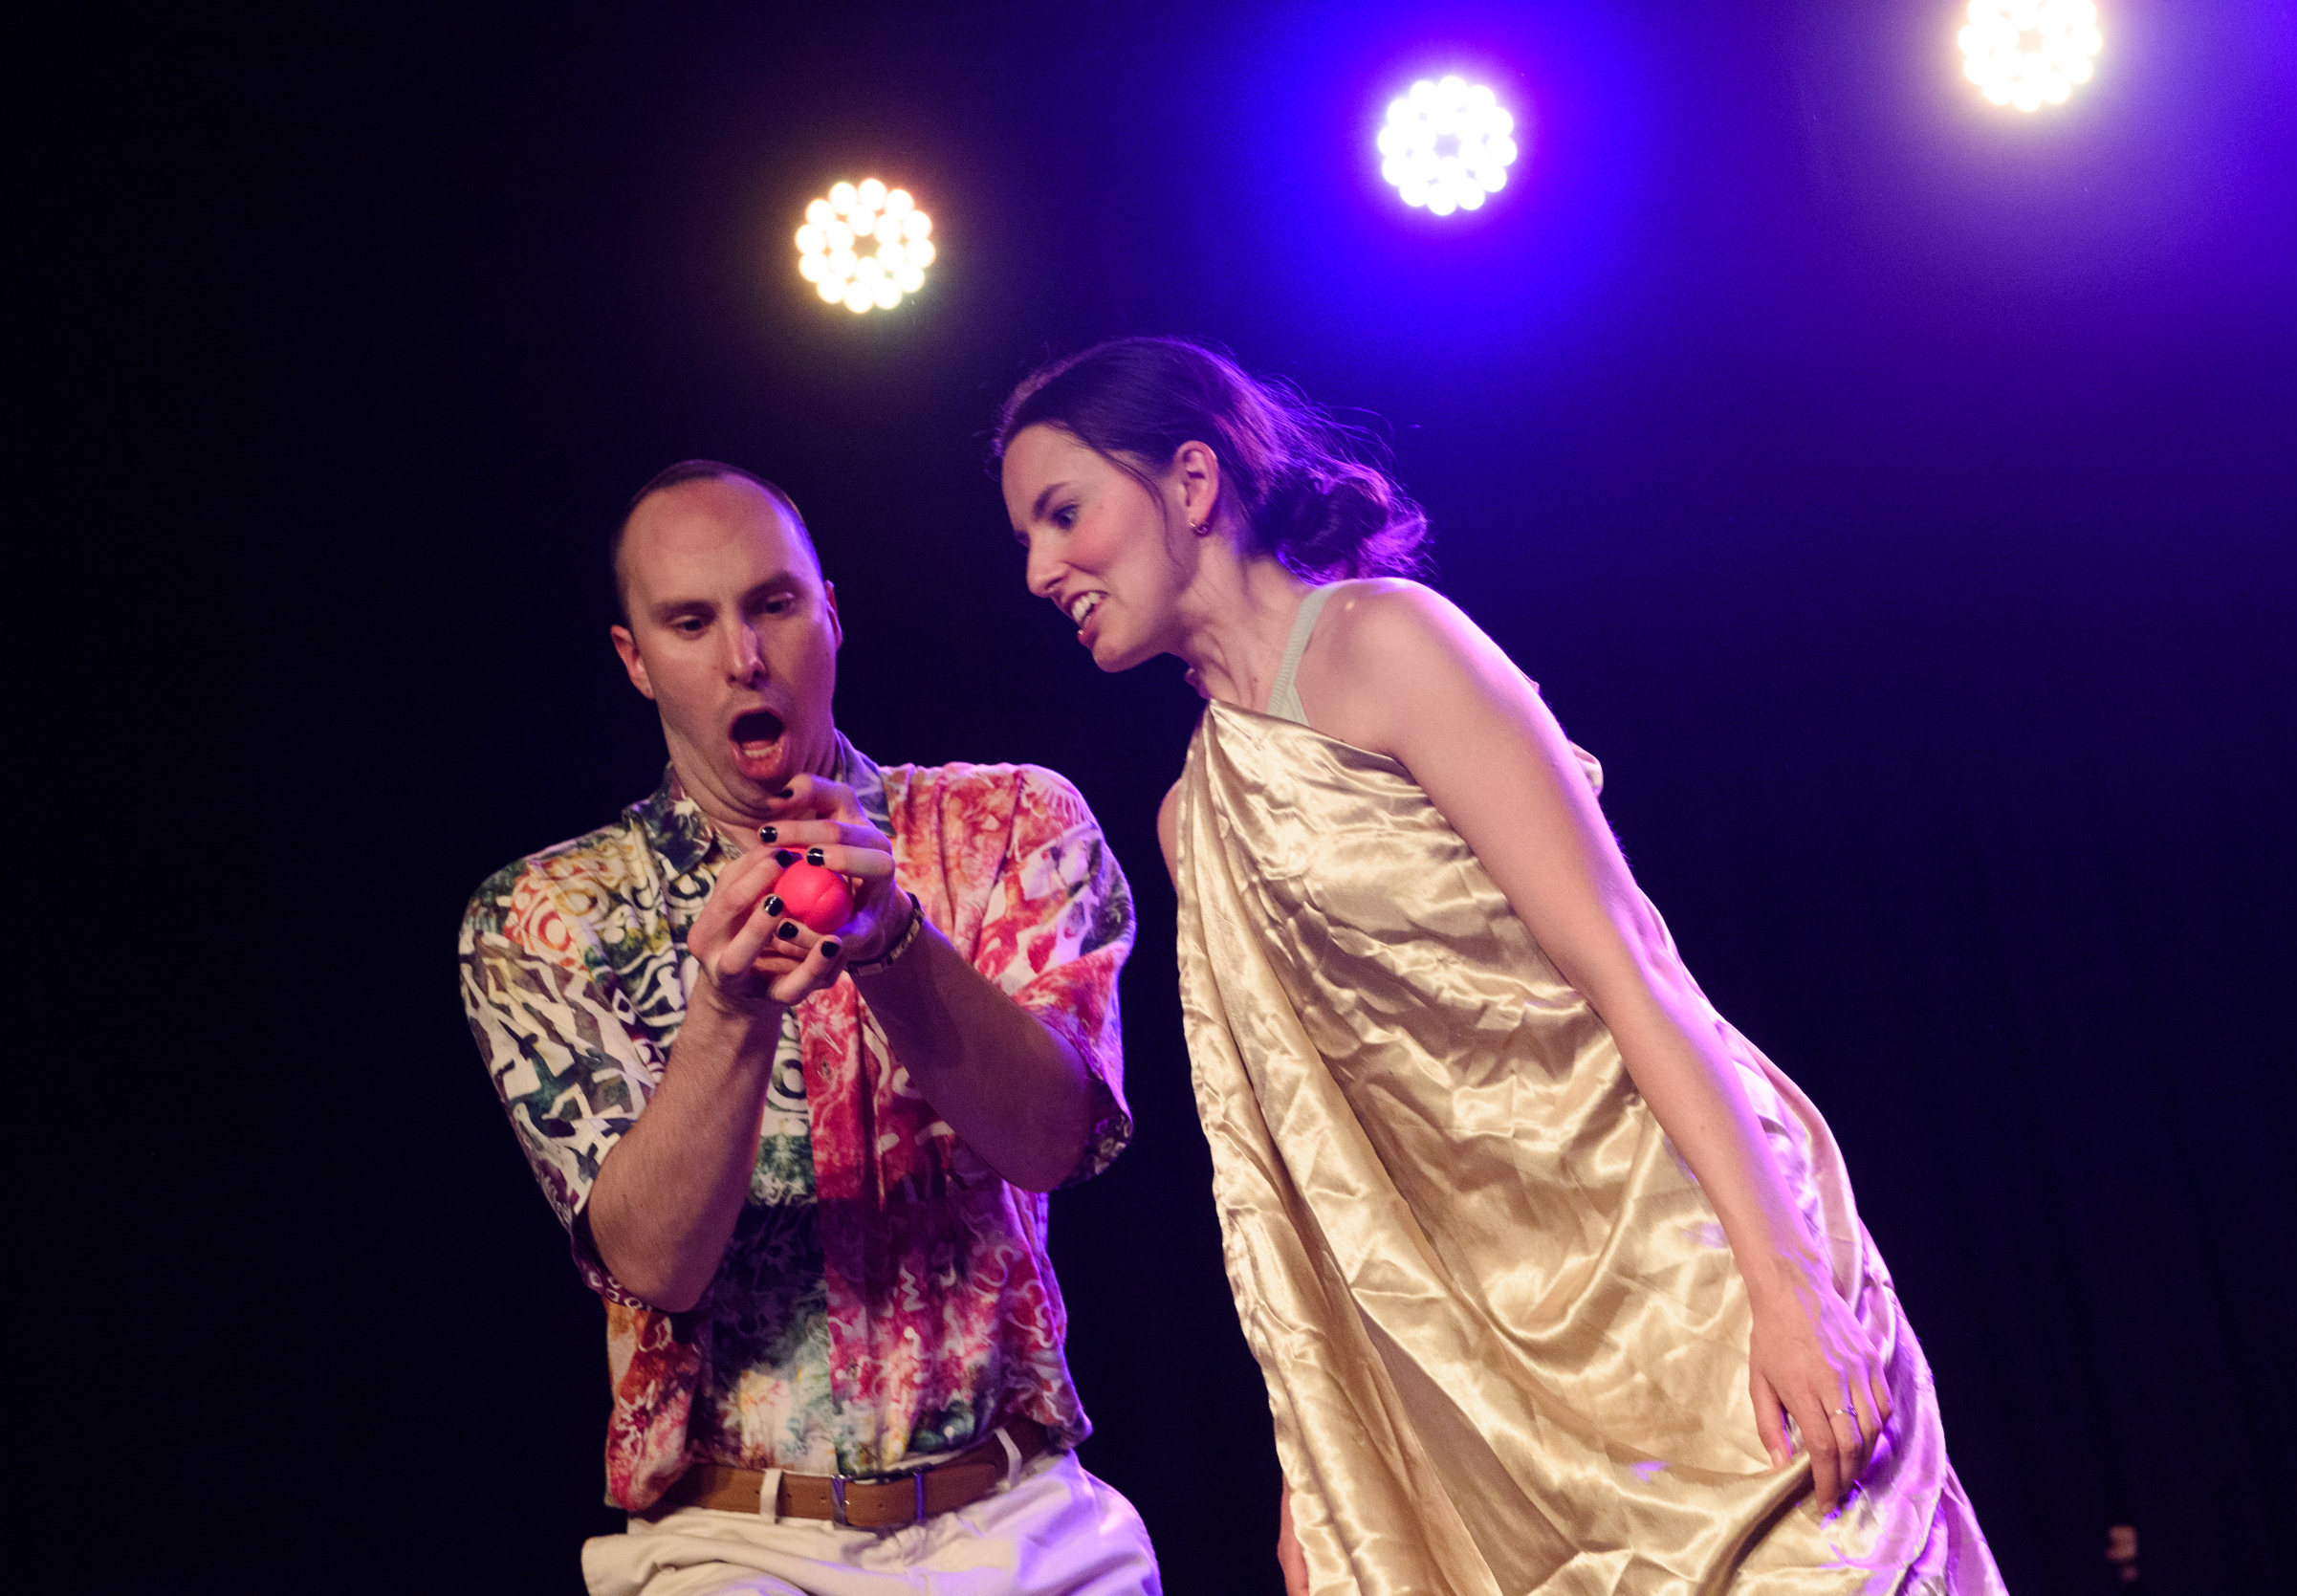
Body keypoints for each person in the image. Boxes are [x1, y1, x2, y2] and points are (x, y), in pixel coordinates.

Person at [996, 339, 2005, 1595]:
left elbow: (1628, 959)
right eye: (1025, 537)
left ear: (1192, 482)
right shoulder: (1189, 817)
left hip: (1692, 1270)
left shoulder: (1385, 644)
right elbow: (1297, 1174)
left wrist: (1787, 1280)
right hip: (1500, 1384)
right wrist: (1323, 1466)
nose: (1039, 570)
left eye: (1065, 513)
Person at [459, 461, 1162, 1596]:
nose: (744, 656)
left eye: (773, 603)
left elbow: (1054, 1142)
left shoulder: (1009, 822)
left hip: (1020, 1516)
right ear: (635, 660)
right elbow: (651, 1266)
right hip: (733, 1541)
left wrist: (896, 942)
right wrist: (727, 1014)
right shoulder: (546, 914)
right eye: (691, 623)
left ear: (830, 612)